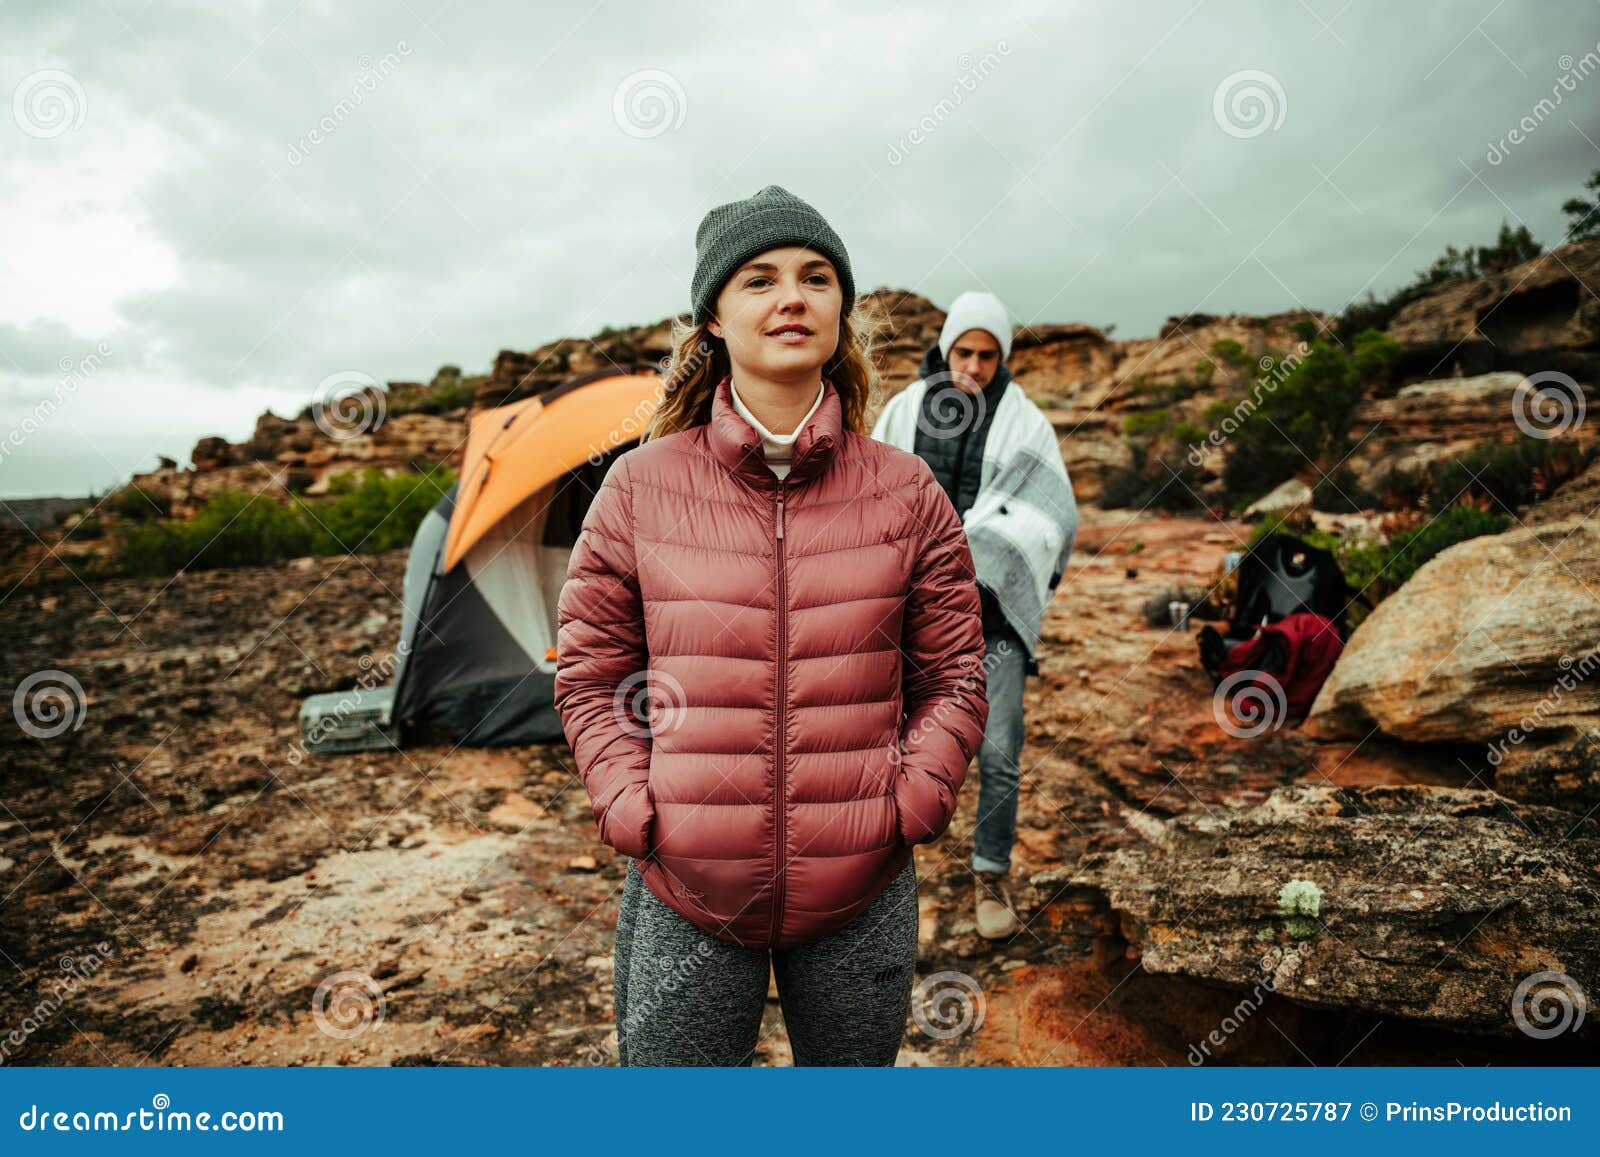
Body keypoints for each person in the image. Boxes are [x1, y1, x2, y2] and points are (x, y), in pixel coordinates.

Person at [553, 185, 989, 1066]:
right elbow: (592, 677)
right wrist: (634, 807)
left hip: (862, 887)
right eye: (759, 280)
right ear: (712, 318)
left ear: (841, 308)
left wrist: (912, 800)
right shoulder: (638, 489)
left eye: (815, 276)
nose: (792, 296)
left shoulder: (906, 492)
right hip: (686, 887)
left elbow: (954, 676)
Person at [871, 291, 1078, 940]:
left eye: (989, 354)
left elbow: (1053, 514)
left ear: (1003, 356)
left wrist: (981, 551)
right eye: (965, 350)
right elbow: (868, 494)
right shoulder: (904, 410)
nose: (976, 364)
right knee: (884, 739)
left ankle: (990, 872)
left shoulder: (1026, 424)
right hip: (908, 610)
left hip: (992, 616)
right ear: (946, 345)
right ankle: (881, 874)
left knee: (1000, 747)